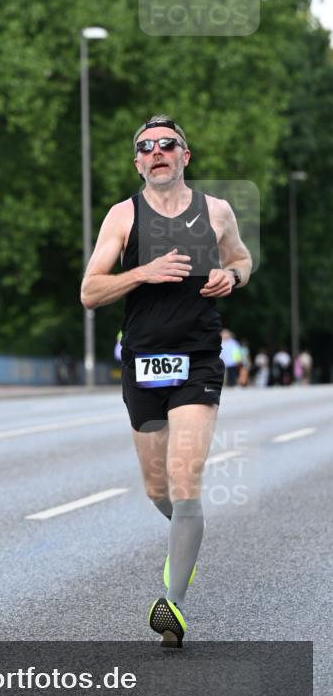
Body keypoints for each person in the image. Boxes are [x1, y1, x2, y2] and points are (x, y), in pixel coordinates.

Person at [81, 114, 252, 648]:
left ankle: (172, 606)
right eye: (145, 146)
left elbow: (242, 258)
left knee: (185, 480)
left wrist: (233, 275)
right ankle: (185, 545)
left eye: (167, 145)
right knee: (159, 490)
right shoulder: (122, 217)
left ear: (185, 156)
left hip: (198, 359)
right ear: (137, 162)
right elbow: (90, 291)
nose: (156, 152)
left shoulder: (217, 212)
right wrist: (141, 274)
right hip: (143, 362)